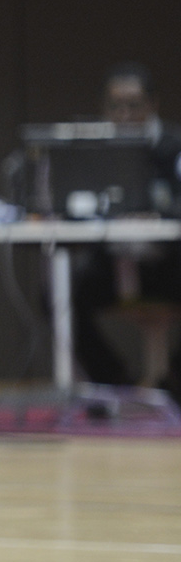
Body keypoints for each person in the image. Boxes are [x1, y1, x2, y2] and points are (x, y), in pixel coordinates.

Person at [71, 63, 181, 392]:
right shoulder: (92, 150)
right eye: (115, 106)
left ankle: (172, 381)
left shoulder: (174, 146)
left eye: (133, 105)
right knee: (58, 296)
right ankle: (114, 380)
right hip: (113, 264)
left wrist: (162, 215)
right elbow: (76, 203)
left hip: (167, 263)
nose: (124, 114)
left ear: (152, 105)